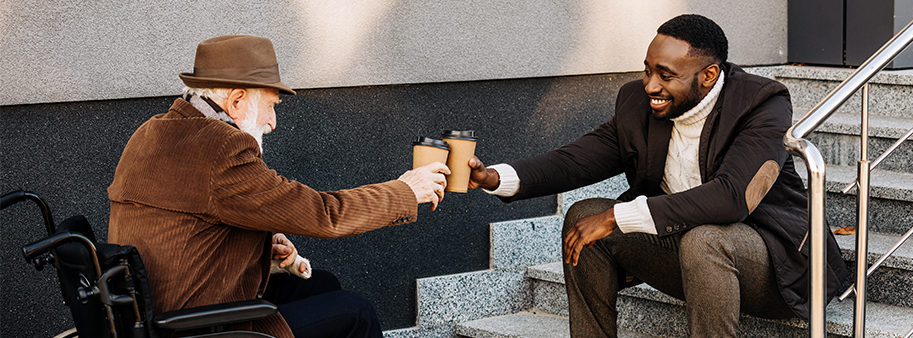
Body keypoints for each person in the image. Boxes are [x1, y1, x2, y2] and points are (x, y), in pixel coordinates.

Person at [469, 14, 848, 338]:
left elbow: (732, 197)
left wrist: (619, 215)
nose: (651, 85)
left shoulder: (760, 102)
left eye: (665, 76)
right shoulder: (638, 102)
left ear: (708, 75)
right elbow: (576, 160)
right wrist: (496, 177)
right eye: (648, 70)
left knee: (706, 239)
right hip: (689, 253)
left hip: (779, 266)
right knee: (584, 216)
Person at [107, 35, 450, 338]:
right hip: (195, 324)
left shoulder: (152, 131)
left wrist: (256, 245)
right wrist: (407, 190)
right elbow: (323, 214)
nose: (272, 122)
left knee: (323, 284)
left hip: (152, 313)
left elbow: (185, 222)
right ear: (237, 101)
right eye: (271, 105)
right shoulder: (221, 147)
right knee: (355, 311)